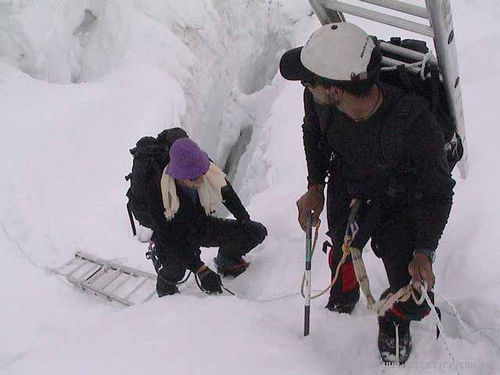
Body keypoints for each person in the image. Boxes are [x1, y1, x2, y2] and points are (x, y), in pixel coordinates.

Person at [279, 22, 455, 364]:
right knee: (342, 242)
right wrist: (316, 186)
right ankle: (343, 289)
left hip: (400, 201)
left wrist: (423, 250)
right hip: (350, 181)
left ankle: (395, 319)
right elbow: (313, 134)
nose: (305, 85)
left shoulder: (416, 124)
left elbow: (438, 193)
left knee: (414, 301)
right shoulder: (320, 101)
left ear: (334, 91)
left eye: (309, 81)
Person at [148, 137, 267, 297]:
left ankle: (227, 260)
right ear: (177, 175)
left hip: (199, 224)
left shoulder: (205, 167)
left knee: (255, 232)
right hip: (171, 237)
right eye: (192, 177)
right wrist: (200, 269)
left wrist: (244, 220)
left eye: (201, 174)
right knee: (175, 267)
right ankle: (166, 292)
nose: (199, 179)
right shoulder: (158, 192)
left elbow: (226, 192)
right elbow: (169, 238)